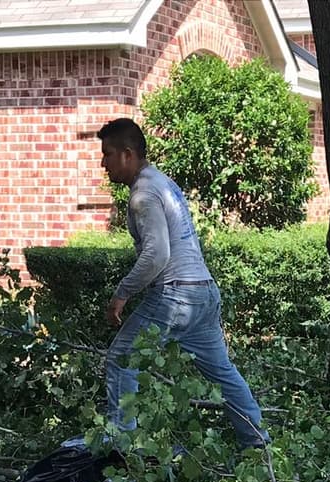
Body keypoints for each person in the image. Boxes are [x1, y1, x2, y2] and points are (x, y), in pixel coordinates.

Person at [97, 118, 268, 448]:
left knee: (121, 358)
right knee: (223, 373)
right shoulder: (162, 182)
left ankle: (121, 454)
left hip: (175, 295)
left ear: (127, 154)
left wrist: (122, 293)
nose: (103, 164)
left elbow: (157, 255)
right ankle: (259, 446)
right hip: (203, 292)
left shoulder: (143, 194)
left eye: (107, 154)